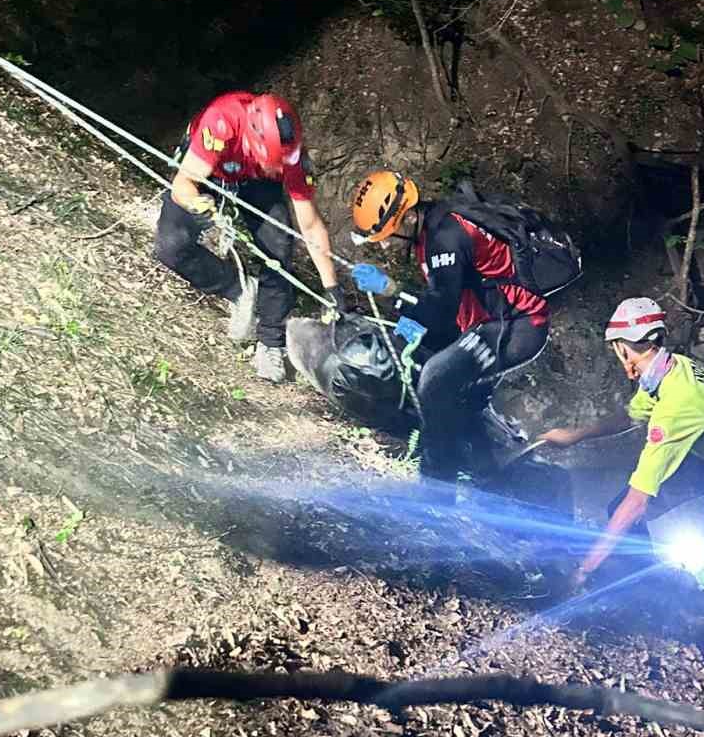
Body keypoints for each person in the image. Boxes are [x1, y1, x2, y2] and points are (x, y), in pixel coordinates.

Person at [535, 298, 704, 606]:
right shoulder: (669, 368)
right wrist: (575, 436)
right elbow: (631, 415)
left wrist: (582, 570)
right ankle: (638, 582)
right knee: (623, 509)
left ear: (621, 347)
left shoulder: (676, 404)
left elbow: (637, 500)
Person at [347, 170, 551, 483]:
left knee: (436, 379)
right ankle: (487, 474)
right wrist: (392, 292)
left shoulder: (445, 236)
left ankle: (436, 478)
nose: (386, 245)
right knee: (457, 390)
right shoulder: (433, 227)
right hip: (490, 323)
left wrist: (407, 319)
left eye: (387, 236)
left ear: (402, 220)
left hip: (517, 325)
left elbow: (441, 306)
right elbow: (442, 299)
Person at [154, 91, 340, 383]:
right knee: (171, 247)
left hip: (255, 179)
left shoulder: (290, 155)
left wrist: (333, 288)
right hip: (213, 169)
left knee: (279, 248)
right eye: (277, 164)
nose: (283, 170)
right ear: (254, 144)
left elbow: (311, 225)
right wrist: (195, 203)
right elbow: (183, 184)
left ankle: (270, 342)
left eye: (285, 164)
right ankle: (236, 288)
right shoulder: (221, 124)